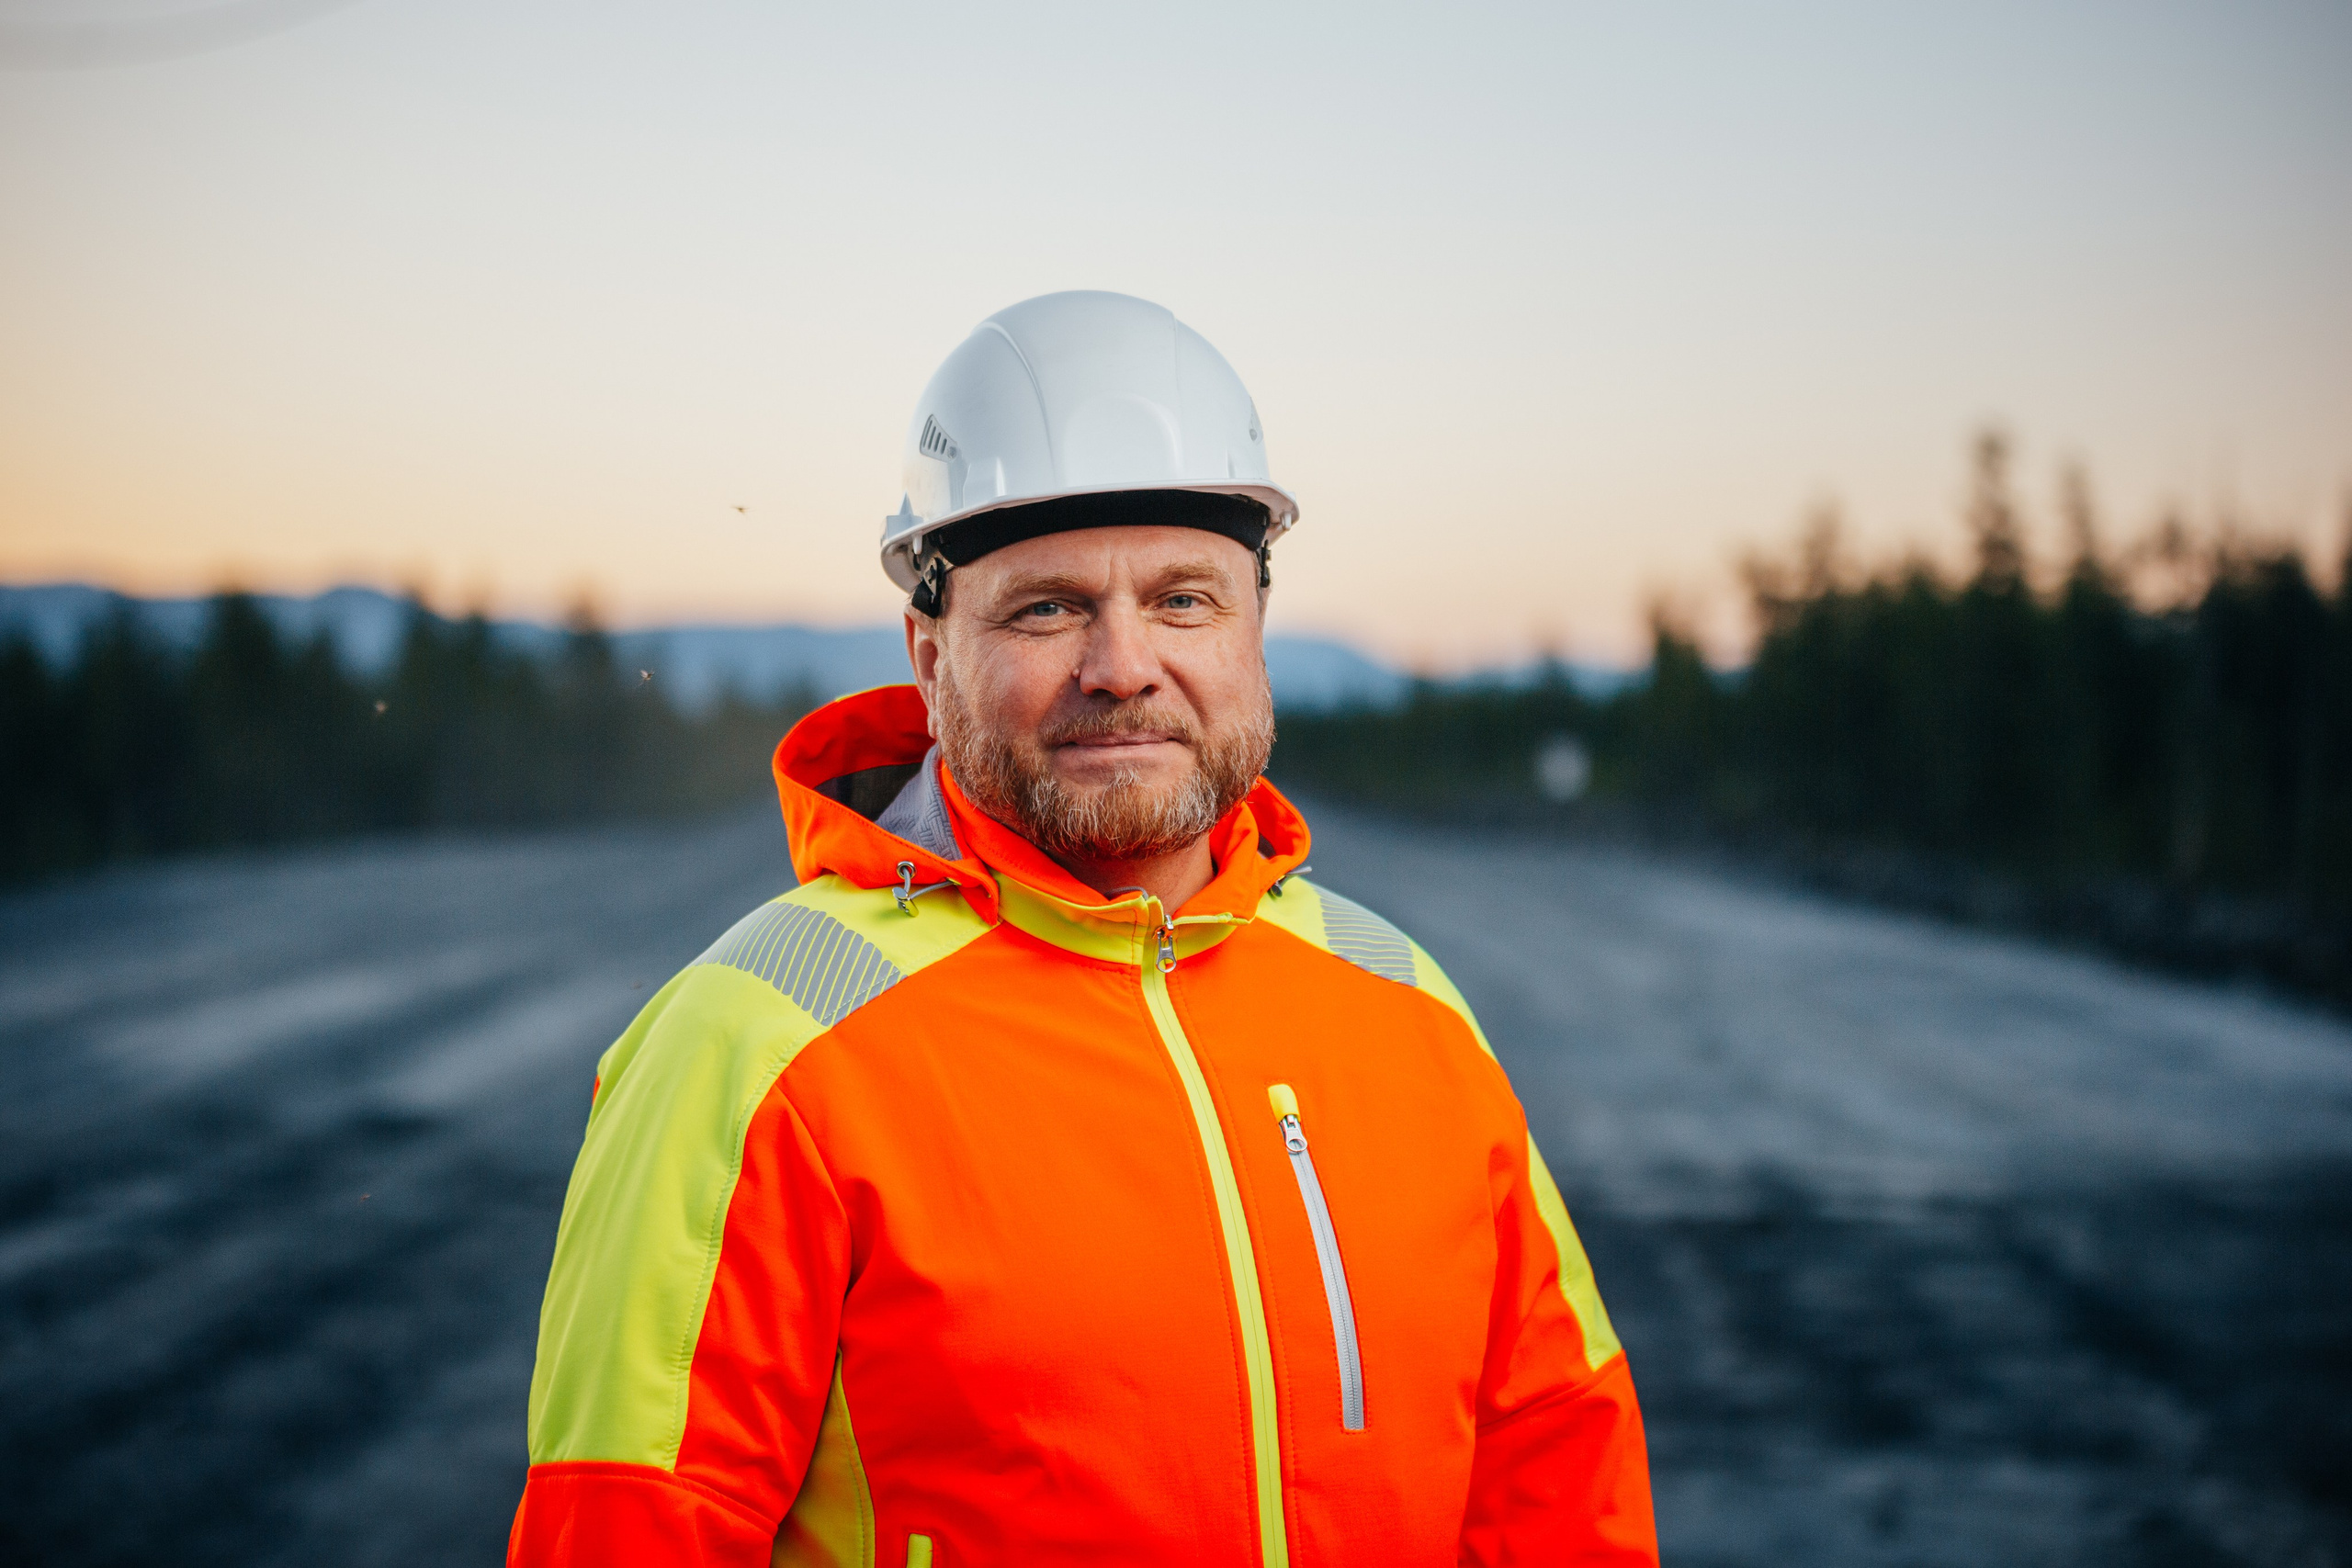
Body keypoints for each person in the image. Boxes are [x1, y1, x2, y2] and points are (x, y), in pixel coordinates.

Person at [509, 291, 1656, 1566]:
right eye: (1047, 608)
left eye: (1183, 599)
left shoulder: (1409, 1008)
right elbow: (622, 1524)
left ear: (1253, 629)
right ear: (930, 652)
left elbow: (1558, 1466)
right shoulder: (755, 1050)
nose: (1121, 665)